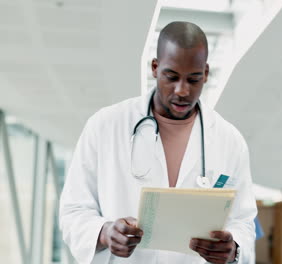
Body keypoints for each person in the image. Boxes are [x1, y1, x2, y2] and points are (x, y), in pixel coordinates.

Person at [59, 21, 257, 264]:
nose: (182, 90)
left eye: (193, 79)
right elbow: (73, 212)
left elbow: (244, 222)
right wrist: (104, 233)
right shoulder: (105, 126)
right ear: (155, 67)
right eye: (171, 77)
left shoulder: (230, 141)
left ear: (206, 73)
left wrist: (234, 248)